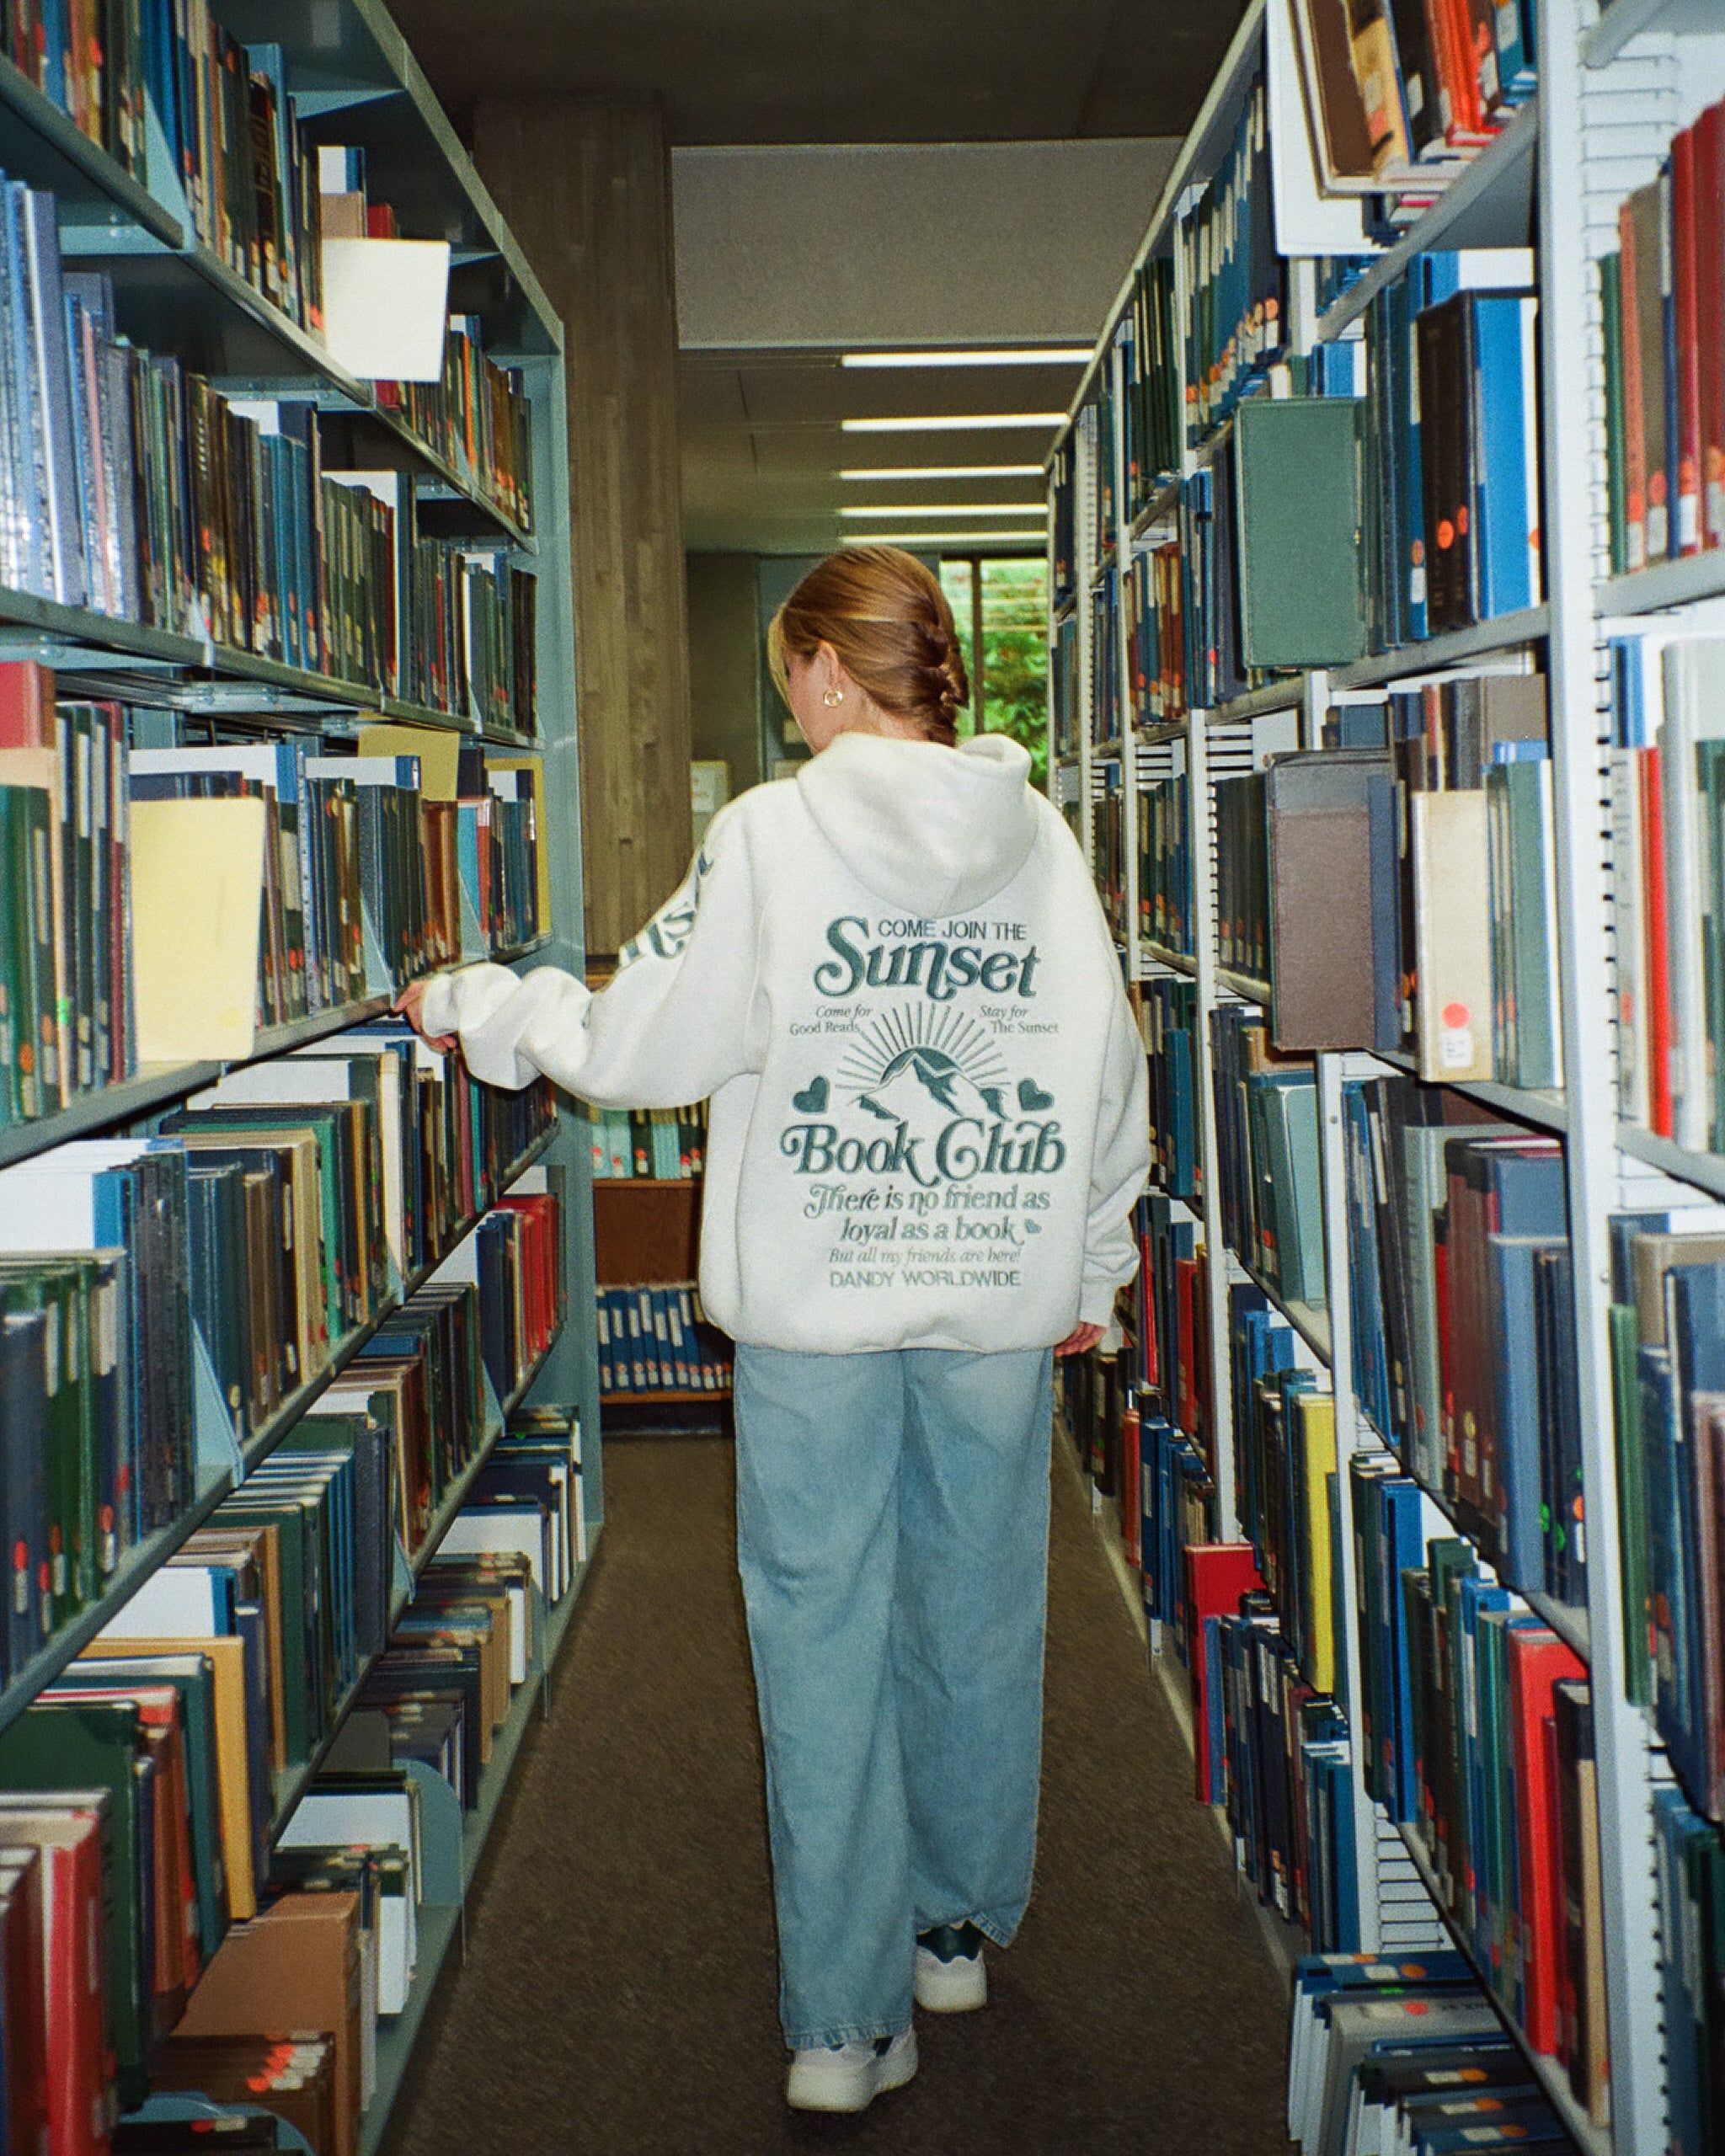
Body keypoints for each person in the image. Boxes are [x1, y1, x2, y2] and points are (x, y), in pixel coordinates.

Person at [395, 543, 1149, 2114]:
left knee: (819, 1632)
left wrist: (482, 1007)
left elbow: (637, 1046)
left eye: (790, 676)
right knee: (978, 1609)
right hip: (995, 1295)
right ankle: (951, 1929)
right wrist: (1093, 1265)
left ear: (822, 669)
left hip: (815, 1303)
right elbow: (1109, 1069)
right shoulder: (1044, 840)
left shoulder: (769, 835)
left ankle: (843, 2027)